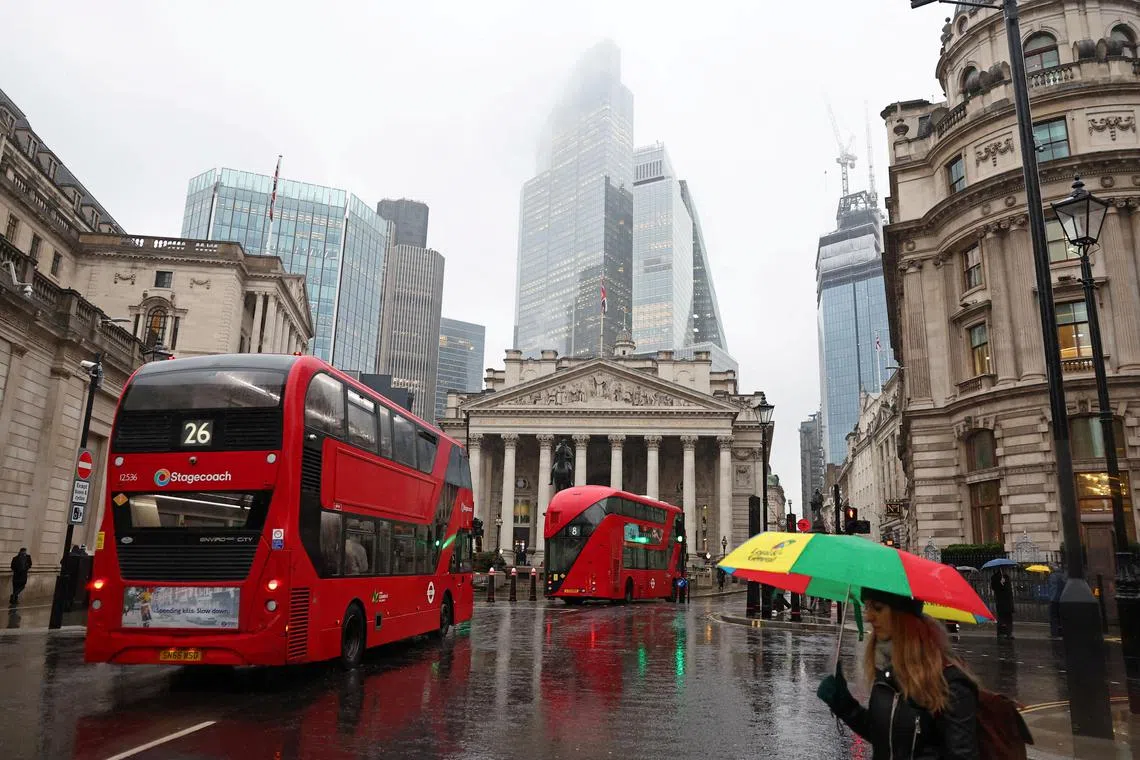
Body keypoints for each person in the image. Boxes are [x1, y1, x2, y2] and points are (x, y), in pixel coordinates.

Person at [816, 588, 979, 759]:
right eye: (867, 608)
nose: (868, 617)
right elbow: (884, 736)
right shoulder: (885, 673)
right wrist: (845, 706)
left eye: (877, 608)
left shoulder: (951, 684)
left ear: (903, 615)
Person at [991, 567, 1014, 639]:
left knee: (1008, 618)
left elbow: (1009, 589)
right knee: (1001, 618)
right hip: (1001, 601)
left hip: (1008, 601)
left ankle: (1009, 633)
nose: (1005, 570)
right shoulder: (995, 577)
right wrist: (1000, 583)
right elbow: (993, 587)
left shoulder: (1006, 577)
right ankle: (1000, 633)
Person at [1047, 566, 1066, 638]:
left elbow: (1051, 587)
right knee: (1060, 616)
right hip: (1062, 598)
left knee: (1053, 617)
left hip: (1054, 598)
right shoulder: (1063, 575)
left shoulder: (1052, 576)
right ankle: (1061, 632)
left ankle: (1054, 633)